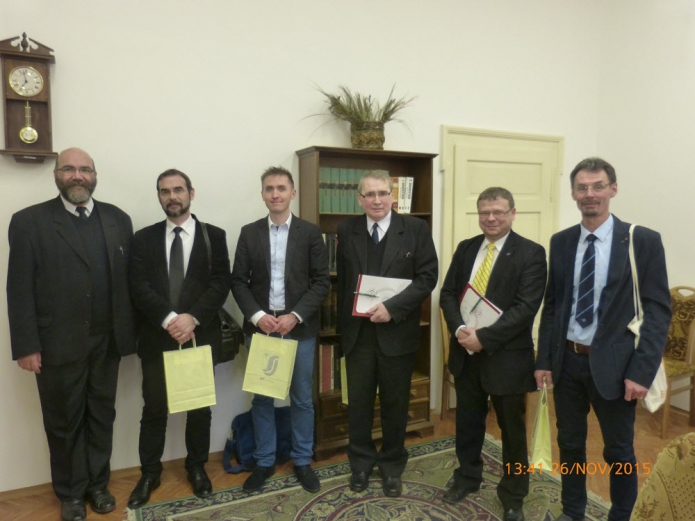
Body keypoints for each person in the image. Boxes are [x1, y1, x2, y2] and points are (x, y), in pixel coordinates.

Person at [535, 157, 671, 521]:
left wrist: (641, 372)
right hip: (567, 363)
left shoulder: (642, 240)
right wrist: (544, 360)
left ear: (613, 189)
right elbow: (553, 306)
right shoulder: (561, 242)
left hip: (617, 366)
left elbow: (658, 311)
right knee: (569, 444)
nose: (590, 194)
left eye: (598, 186)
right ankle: (572, 511)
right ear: (573, 193)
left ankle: (622, 514)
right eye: (582, 188)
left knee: (619, 451)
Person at [7, 148, 137, 521]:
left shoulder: (118, 219)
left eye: (84, 169)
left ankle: (98, 485)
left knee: (101, 416)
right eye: (68, 169)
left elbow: (127, 282)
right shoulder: (29, 222)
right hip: (56, 344)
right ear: (57, 175)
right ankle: (71, 493)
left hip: (107, 342)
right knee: (64, 422)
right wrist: (27, 345)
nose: (77, 176)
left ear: (94, 175)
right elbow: (19, 289)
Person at [439, 187, 546, 521]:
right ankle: (467, 477)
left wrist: (483, 338)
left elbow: (525, 309)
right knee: (468, 423)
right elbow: (447, 294)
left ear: (512, 213)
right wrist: (460, 330)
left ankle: (513, 494)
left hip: (507, 358)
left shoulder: (531, 253)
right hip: (466, 353)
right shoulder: (466, 247)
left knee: (512, 431)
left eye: (498, 212)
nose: (491, 218)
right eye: (484, 212)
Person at [127, 169, 231, 508]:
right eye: (165, 191)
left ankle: (196, 467)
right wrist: (170, 319)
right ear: (159, 196)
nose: (172, 196)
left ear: (191, 193)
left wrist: (192, 318)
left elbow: (220, 283)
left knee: (199, 408)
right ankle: (149, 473)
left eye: (178, 190)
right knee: (154, 408)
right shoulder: (143, 238)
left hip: (198, 336)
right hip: (157, 337)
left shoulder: (214, 236)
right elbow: (138, 286)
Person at [336, 170, 438, 497]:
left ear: (393, 196)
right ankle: (361, 464)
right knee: (359, 405)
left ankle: (392, 466)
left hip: (397, 332)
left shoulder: (416, 229)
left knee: (395, 405)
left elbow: (427, 277)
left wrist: (392, 308)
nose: (376, 200)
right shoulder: (346, 229)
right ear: (360, 199)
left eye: (382, 193)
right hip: (358, 336)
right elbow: (343, 283)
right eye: (369, 194)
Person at [231, 166, 329, 493]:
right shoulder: (249, 233)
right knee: (262, 399)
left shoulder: (310, 233)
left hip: (298, 330)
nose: (275, 194)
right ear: (262, 194)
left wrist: (295, 316)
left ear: (292, 193)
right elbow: (238, 281)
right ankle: (264, 461)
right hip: (262, 330)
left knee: (302, 399)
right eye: (270, 188)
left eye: (281, 188)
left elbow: (321, 282)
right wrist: (258, 316)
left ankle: (302, 460)